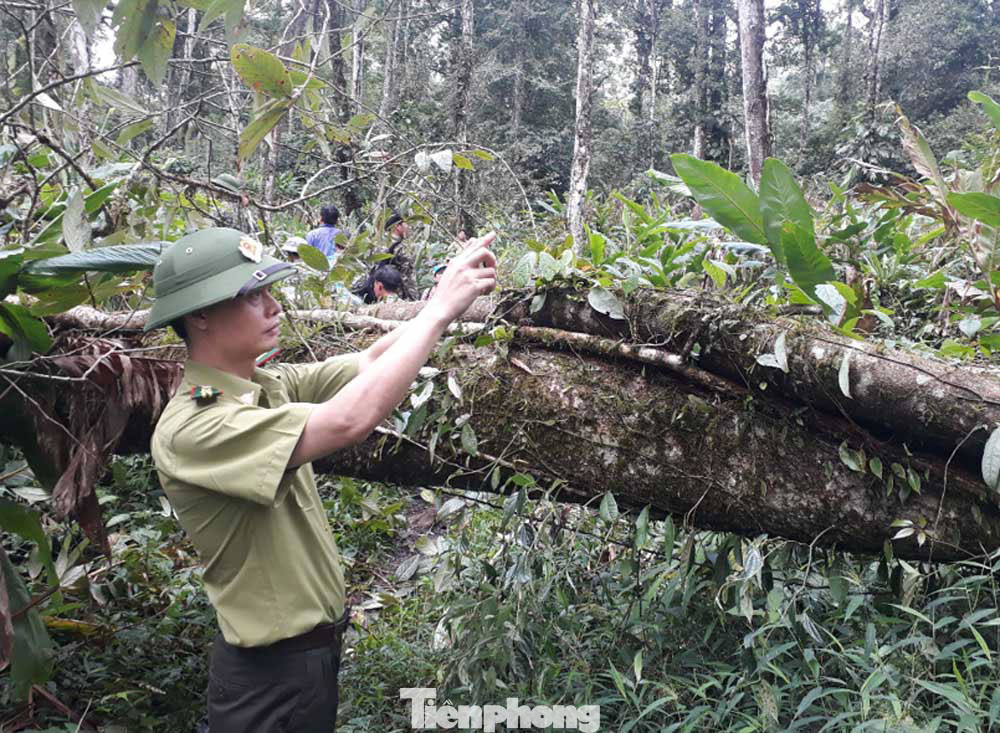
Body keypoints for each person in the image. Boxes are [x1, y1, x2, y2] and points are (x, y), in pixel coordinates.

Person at [144, 226, 496, 732]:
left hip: (304, 661)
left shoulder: (259, 384)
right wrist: (438, 310)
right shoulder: (196, 425)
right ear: (199, 315)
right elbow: (346, 421)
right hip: (270, 674)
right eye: (251, 296)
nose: (273, 307)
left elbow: (371, 361)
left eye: (268, 291)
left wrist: (442, 303)